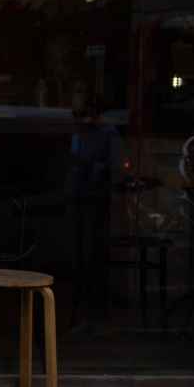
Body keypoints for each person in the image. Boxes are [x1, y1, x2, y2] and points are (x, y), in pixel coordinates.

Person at [65, 97, 120, 331]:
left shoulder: (105, 133)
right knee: (80, 251)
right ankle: (81, 307)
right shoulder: (78, 132)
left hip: (94, 198)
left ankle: (93, 307)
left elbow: (112, 165)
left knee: (93, 251)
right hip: (77, 197)